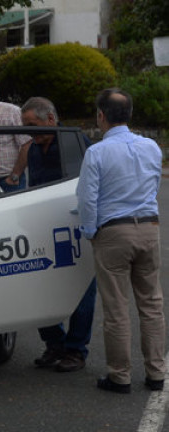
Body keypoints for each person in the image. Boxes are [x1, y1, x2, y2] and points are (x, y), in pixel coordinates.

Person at [77, 88, 166, 394]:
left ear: (101, 116)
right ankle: (156, 373)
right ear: (130, 114)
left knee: (116, 308)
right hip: (149, 228)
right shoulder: (152, 147)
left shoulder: (97, 152)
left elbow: (88, 199)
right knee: (152, 303)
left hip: (114, 231)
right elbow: (153, 184)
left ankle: (120, 375)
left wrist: (90, 232)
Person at [19, 96, 97, 373]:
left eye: (33, 124)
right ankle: (55, 343)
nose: (29, 131)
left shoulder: (75, 143)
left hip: (75, 229)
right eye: (25, 125)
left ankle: (76, 350)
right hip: (43, 228)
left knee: (82, 290)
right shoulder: (35, 149)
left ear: (51, 119)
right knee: (40, 287)